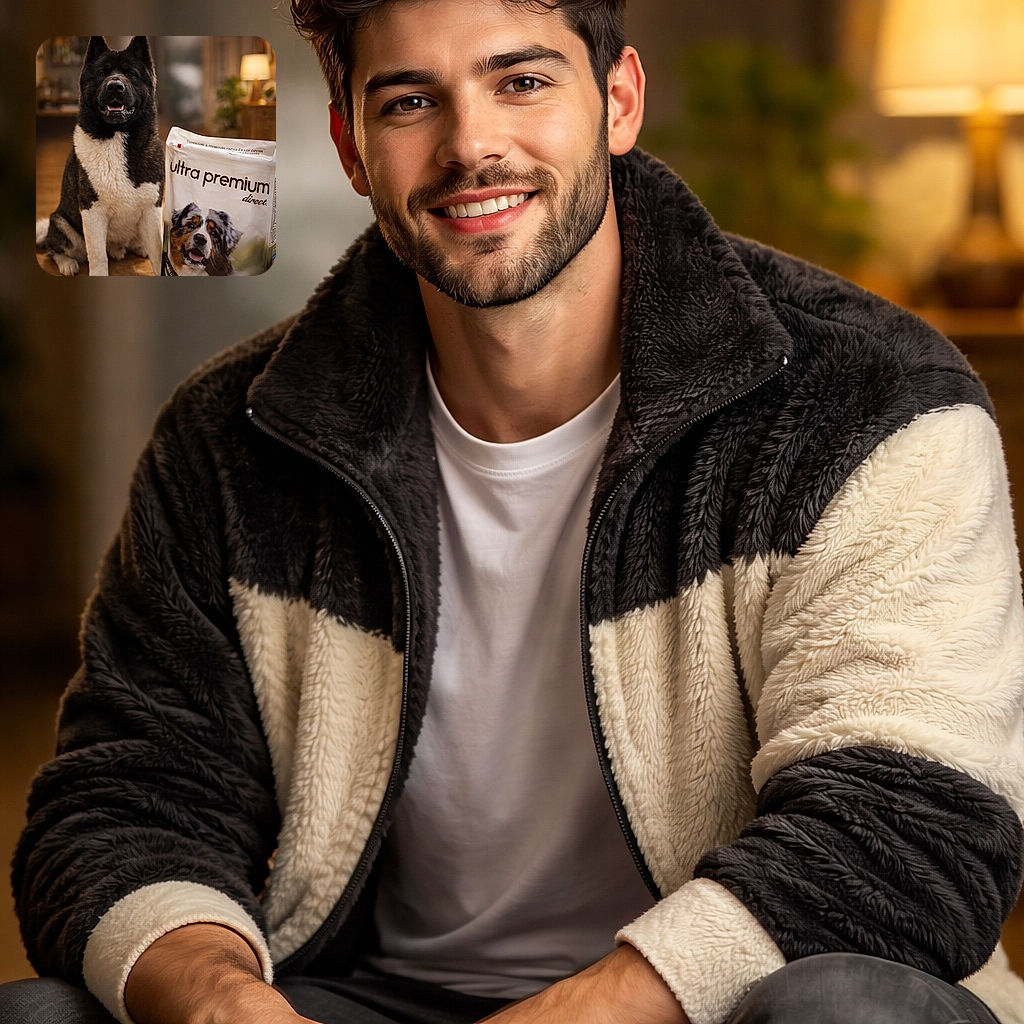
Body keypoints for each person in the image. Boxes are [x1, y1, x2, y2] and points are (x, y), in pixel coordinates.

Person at [5, 0, 1024, 1022]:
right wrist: (224, 997)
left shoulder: (866, 399)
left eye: (522, 81)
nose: (470, 145)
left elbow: (911, 830)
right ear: (350, 149)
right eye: (409, 101)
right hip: (377, 997)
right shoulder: (228, 438)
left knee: (850, 1009)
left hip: (722, 1004)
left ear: (618, 102)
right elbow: (124, 801)